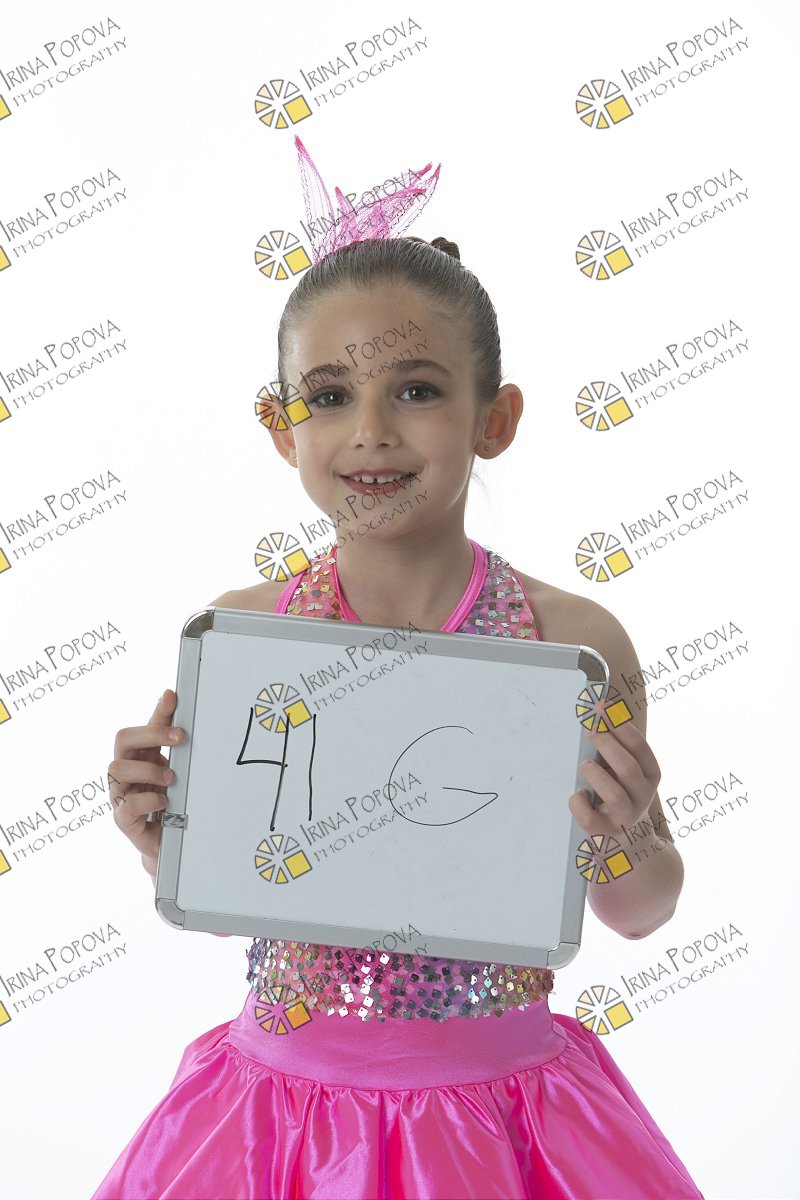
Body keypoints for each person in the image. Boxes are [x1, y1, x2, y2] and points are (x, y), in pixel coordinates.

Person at [92, 232, 705, 1199]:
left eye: (416, 390)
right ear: (282, 429)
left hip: (501, 1121)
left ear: (495, 419)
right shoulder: (250, 636)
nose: (371, 431)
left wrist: (622, 830)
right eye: (330, 396)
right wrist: (167, 843)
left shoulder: (569, 644)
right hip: (282, 1119)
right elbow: (240, 898)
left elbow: (642, 910)